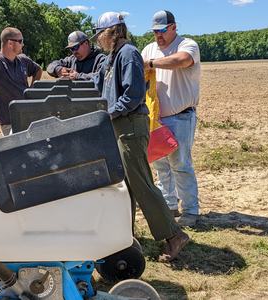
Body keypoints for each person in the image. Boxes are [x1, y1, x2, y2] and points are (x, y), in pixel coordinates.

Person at [92, 11, 189, 262]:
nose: (98, 39)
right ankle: (125, 235)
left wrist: (108, 113)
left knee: (141, 183)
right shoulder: (112, 57)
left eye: (100, 34)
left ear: (112, 32)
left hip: (130, 126)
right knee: (124, 185)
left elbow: (133, 95)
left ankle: (174, 235)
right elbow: (100, 85)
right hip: (118, 125)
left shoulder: (128, 54)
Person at [141, 10, 201, 227]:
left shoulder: (187, 45)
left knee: (181, 164)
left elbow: (181, 61)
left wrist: (152, 64)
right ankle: (170, 204)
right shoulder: (149, 48)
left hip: (181, 117)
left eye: (162, 30)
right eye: (155, 31)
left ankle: (191, 210)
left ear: (174, 27)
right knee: (161, 164)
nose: (158, 35)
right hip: (155, 118)